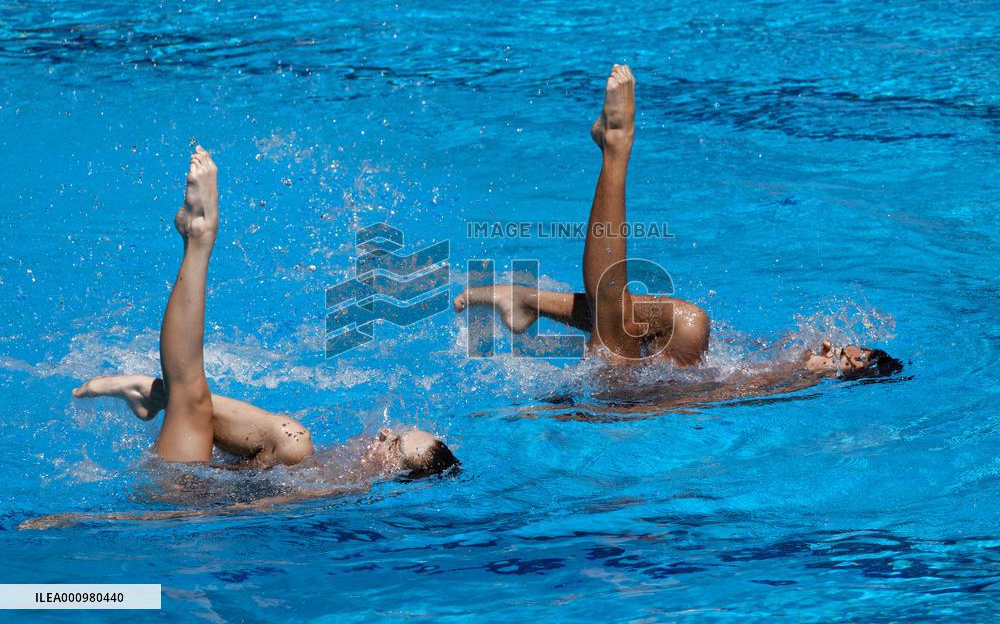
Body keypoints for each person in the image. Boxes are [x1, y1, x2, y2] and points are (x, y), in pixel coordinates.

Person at [455, 65, 902, 383]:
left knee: (616, 305)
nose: (827, 348)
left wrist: (612, 396)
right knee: (690, 322)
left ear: (842, 379)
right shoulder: (788, 365)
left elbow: (705, 400)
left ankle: (615, 147)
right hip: (652, 386)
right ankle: (526, 302)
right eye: (840, 345)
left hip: (620, 404)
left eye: (842, 358)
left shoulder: (790, 388)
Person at [71, 146, 458, 478]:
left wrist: (90, 523)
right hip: (235, 478)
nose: (383, 434)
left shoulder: (344, 488)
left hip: (183, 496)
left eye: (392, 447)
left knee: (192, 395)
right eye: (394, 433)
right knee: (294, 440)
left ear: (391, 473)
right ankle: (155, 397)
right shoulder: (336, 468)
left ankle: (198, 237)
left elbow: (242, 511)